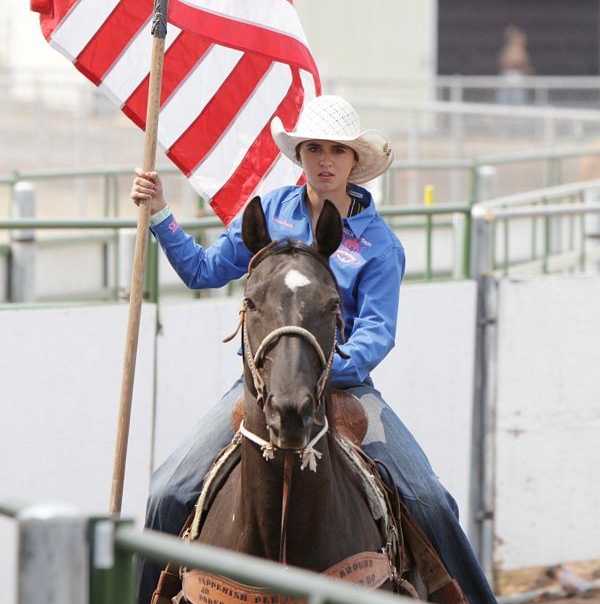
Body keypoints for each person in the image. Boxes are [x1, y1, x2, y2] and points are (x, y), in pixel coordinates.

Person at [131, 95, 497, 604]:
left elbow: (375, 332)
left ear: (354, 162)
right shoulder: (269, 213)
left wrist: (316, 370)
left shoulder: (379, 245)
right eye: (314, 149)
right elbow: (202, 270)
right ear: (300, 156)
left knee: (432, 502)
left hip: (346, 386)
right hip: (260, 386)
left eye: (337, 151)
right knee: (167, 491)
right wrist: (160, 214)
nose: (325, 161)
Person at [496, 24, 535, 105]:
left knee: (518, 101)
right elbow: (506, 63)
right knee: (506, 100)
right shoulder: (510, 50)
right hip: (511, 76)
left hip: (517, 77)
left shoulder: (521, 51)